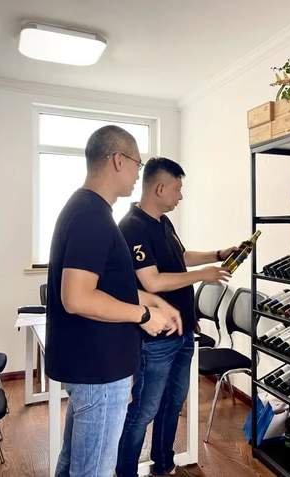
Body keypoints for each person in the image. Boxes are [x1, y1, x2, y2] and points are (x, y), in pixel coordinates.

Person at [45, 126, 182, 477]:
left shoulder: (88, 210)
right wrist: (143, 314)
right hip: (99, 371)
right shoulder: (92, 216)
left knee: (74, 465)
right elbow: (77, 297)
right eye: (137, 164)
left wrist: (153, 301)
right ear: (118, 160)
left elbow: (107, 285)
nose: (138, 174)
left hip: (93, 367)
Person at [116, 157, 236, 477]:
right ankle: (125, 471)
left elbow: (181, 256)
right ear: (159, 188)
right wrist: (202, 275)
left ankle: (164, 464)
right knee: (144, 410)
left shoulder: (163, 222)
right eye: (177, 189)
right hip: (155, 339)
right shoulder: (132, 227)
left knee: (173, 403)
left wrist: (217, 255)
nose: (180, 196)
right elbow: (152, 281)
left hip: (183, 332)